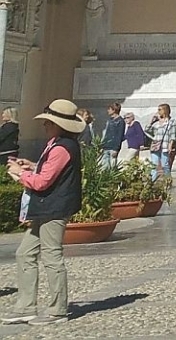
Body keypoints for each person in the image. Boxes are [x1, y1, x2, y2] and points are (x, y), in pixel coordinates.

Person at [6, 100, 86, 325]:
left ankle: (57, 310)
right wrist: (32, 165)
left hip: (54, 209)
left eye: (48, 122)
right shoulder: (58, 143)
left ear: (58, 125)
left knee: (52, 257)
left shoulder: (62, 147)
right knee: (25, 253)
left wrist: (19, 174)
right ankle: (25, 306)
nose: (45, 126)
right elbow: (48, 171)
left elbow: (42, 182)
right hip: (46, 208)